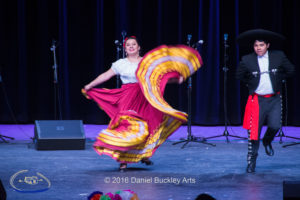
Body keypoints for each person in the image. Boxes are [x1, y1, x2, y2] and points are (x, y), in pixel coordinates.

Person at [82, 36, 197, 172]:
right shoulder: (120, 63)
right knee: (126, 126)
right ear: (125, 49)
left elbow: (158, 79)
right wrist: (90, 85)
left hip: (145, 96)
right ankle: (123, 160)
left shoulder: (146, 63)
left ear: (138, 47)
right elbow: (105, 76)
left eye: (133, 44)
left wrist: (176, 80)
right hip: (127, 97)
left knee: (147, 126)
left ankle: (143, 154)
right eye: (128, 45)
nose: (131, 46)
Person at [236, 29, 295, 173]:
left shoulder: (278, 56)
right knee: (253, 133)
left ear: (267, 45)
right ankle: (251, 162)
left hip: (274, 98)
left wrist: (278, 77)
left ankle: (267, 140)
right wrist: (251, 82)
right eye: (256, 46)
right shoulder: (247, 59)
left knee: (275, 125)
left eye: (261, 45)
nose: (258, 48)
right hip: (257, 100)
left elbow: (291, 70)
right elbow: (238, 75)